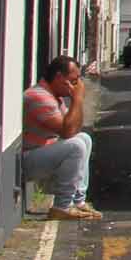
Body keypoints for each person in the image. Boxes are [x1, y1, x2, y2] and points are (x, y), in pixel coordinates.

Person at [22, 56, 102, 221]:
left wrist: (76, 102)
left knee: (84, 138)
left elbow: (74, 128)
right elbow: (67, 132)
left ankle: (78, 201)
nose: (76, 85)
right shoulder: (38, 97)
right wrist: (77, 99)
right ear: (59, 77)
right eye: (73, 81)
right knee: (76, 146)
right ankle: (62, 206)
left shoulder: (54, 97)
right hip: (27, 160)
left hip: (43, 153)